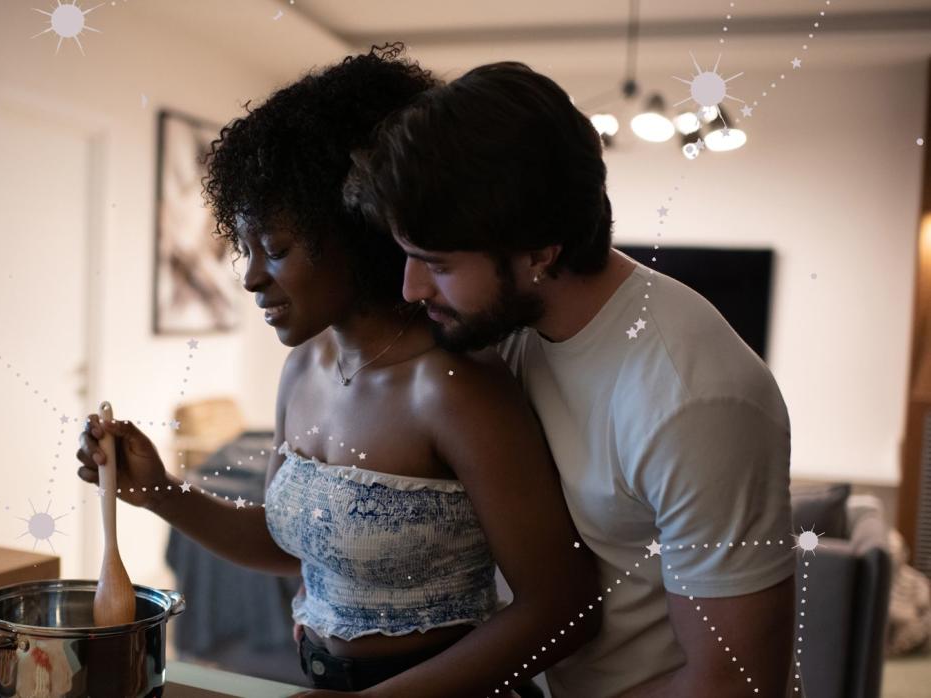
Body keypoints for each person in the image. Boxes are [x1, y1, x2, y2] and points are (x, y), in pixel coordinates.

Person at [77, 46, 600, 697]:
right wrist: (157, 490)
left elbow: (565, 609)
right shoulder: (304, 368)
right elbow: (291, 544)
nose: (250, 278)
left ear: (354, 232)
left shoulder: (453, 390)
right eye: (245, 249)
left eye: (277, 249)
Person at [346, 61, 796, 697]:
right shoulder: (513, 326)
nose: (411, 289)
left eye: (436, 265)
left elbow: (734, 683)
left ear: (539, 250)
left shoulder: (693, 398)